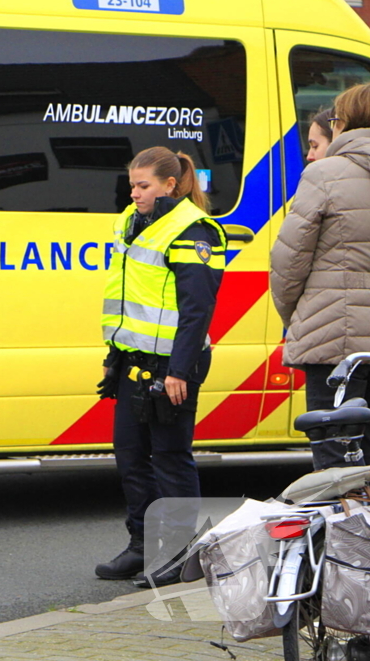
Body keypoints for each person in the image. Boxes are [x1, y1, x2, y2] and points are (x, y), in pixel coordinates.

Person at [95, 147, 226, 588]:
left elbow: (197, 310)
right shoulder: (131, 222)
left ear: (170, 185)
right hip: (133, 361)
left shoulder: (194, 229)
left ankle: (182, 554)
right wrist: (115, 357)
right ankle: (142, 545)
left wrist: (179, 371)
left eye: (143, 185)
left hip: (173, 364)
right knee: (131, 457)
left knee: (170, 457)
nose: (134, 193)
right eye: (132, 185)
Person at [271, 82, 370, 467]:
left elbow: (288, 262)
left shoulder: (325, 174)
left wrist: (299, 318)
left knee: (338, 468)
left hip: (334, 343)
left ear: (344, 122)